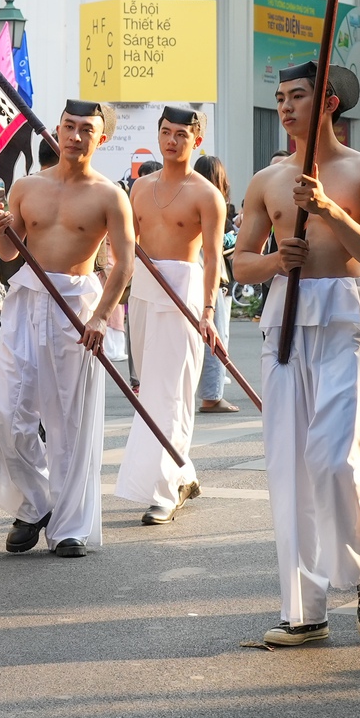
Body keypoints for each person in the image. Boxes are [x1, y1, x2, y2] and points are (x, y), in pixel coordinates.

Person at [233, 62, 360, 644]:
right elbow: (239, 262)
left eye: (297, 95)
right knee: (290, 467)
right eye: (278, 97)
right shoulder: (265, 181)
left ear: (327, 102)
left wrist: (329, 210)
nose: (284, 107)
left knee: (335, 457)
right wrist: (278, 262)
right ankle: (303, 609)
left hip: (343, 315)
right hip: (284, 316)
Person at [0, 98, 135, 561]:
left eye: (85, 129)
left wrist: (99, 317)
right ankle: (36, 503)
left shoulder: (110, 195)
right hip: (27, 301)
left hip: (78, 308)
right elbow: (9, 255)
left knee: (71, 423)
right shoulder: (26, 187)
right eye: (68, 126)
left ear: (100, 139)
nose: (74, 136)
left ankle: (70, 526)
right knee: (8, 415)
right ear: (56, 129)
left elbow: (124, 262)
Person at [116, 106, 226, 526]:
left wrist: (210, 309)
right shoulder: (139, 188)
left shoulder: (205, 194)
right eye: (166, 132)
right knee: (150, 391)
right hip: (143, 294)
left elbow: (214, 259)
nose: (172, 140)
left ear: (196, 140)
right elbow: (125, 248)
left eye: (181, 134)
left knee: (173, 393)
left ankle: (164, 491)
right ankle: (183, 473)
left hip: (185, 295)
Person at [195, 155, 245, 415]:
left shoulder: (187, 198)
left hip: (189, 276)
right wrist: (239, 233)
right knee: (217, 336)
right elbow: (224, 247)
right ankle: (212, 397)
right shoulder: (215, 204)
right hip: (215, 279)